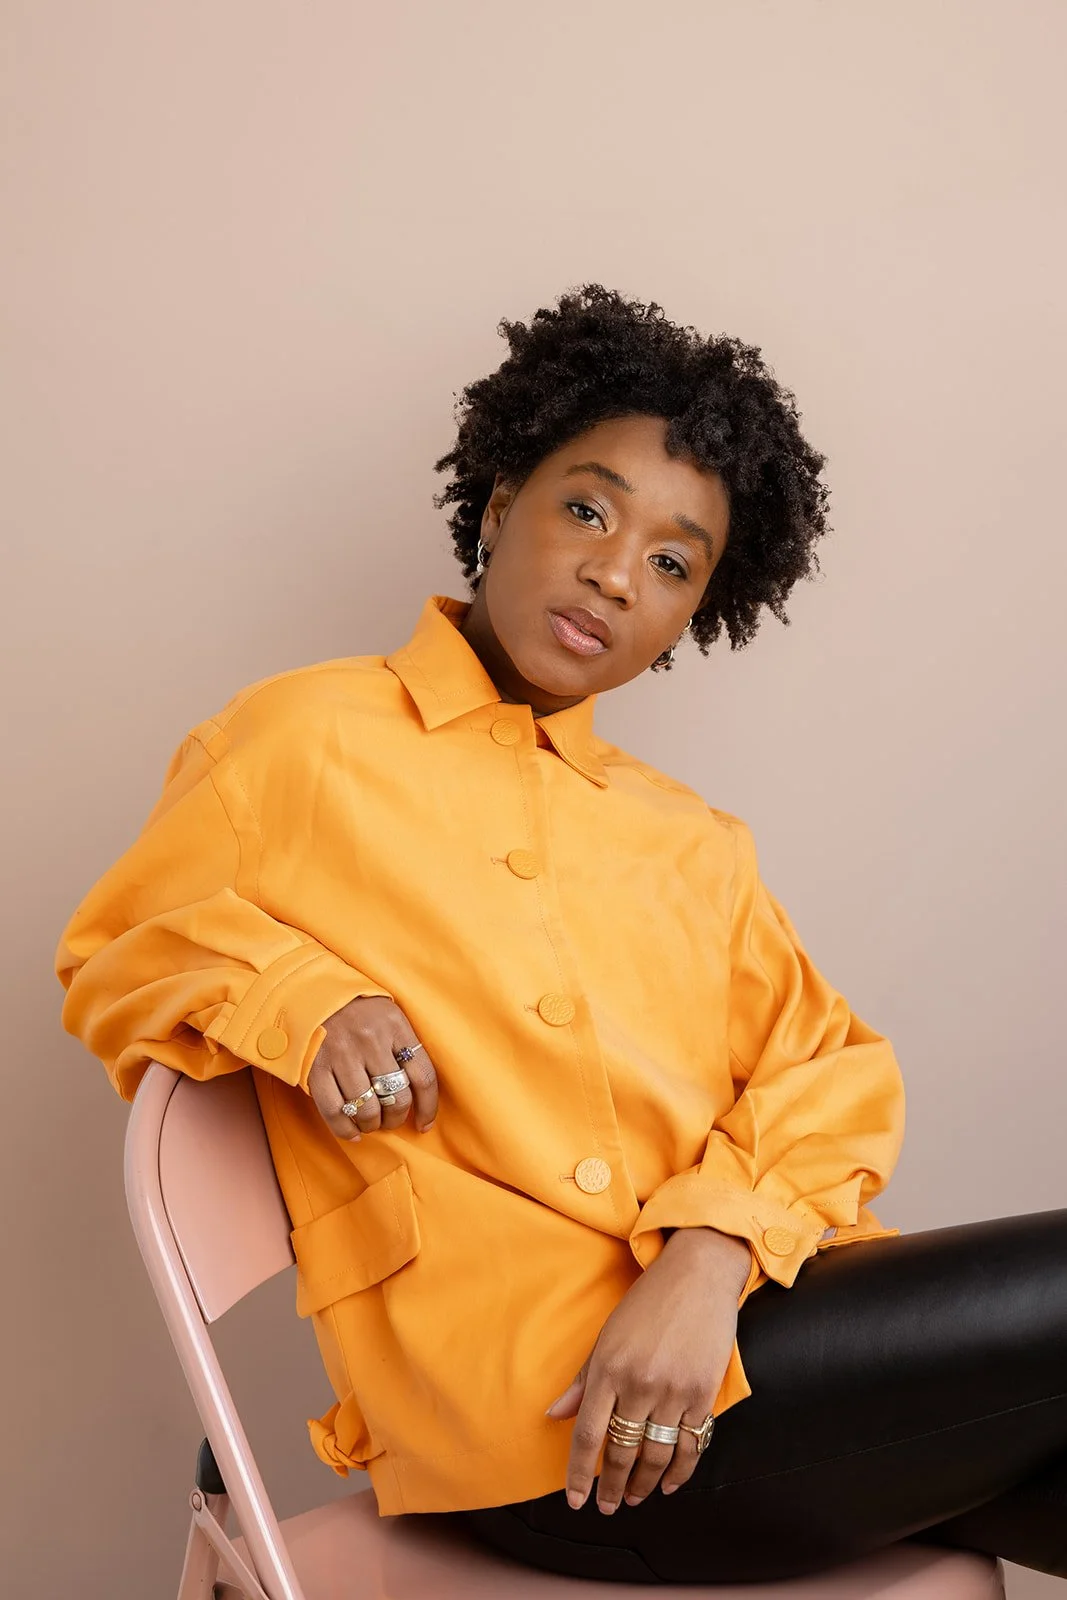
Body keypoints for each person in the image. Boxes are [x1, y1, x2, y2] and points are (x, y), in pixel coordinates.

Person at [56, 285, 1067, 1585]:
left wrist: (705, 1258)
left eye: (670, 561)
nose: (611, 571)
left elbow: (829, 1070)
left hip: (748, 1351)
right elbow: (124, 947)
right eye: (586, 510)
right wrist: (303, 1002)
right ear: (494, 509)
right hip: (537, 1435)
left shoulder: (687, 839)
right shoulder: (302, 739)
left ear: (697, 609)